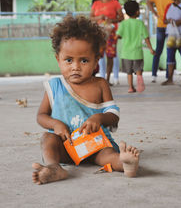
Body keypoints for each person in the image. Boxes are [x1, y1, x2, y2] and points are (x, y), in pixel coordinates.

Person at [32, 15, 140, 185]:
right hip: (66, 146)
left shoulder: (100, 84)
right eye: (68, 60)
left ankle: (126, 163)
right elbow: (41, 115)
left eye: (84, 60)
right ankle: (54, 167)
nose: (75, 67)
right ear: (58, 59)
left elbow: (113, 115)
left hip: (96, 145)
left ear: (96, 60)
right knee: (47, 138)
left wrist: (99, 118)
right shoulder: (55, 86)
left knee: (109, 156)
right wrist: (55, 125)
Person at [147, 0, 181, 82]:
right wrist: (167, 20)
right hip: (170, 33)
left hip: (179, 33)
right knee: (170, 55)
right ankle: (168, 77)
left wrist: (180, 22)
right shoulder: (171, 4)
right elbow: (165, 19)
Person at [116, 0, 155, 93]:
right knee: (138, 70)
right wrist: (151, 49)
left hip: (126, 53)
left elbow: (118, 36)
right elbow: (146, 37)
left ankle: (130, 87)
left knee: (129, 72)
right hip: (137, 52)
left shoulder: (123, 24)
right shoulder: (140, 23)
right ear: (137, 12)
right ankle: (139, 81)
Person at [90, 0, 124, 85]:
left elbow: (121, 17)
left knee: (110, 56)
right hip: (98, 33)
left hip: (112, 33)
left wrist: (112, 20)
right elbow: (90, 17)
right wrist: (98, 18)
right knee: (97, 55)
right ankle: (97, 77)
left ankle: (108, 79)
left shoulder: (115, 3)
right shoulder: (96, 3)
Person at [161, 0, 181, 86]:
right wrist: (169, 21)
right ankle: (170, 78)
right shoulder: (169, 6)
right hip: (171, 35)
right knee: (170, 57)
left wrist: (180, 22)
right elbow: (163, 20)